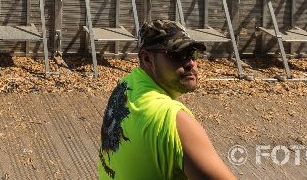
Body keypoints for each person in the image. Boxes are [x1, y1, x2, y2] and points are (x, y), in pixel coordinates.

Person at [98, 19, 236, 180]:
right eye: (178, 54)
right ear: (147, 59)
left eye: (193, 54)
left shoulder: (126, 85)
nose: (191, 63)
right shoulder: (172, 120)